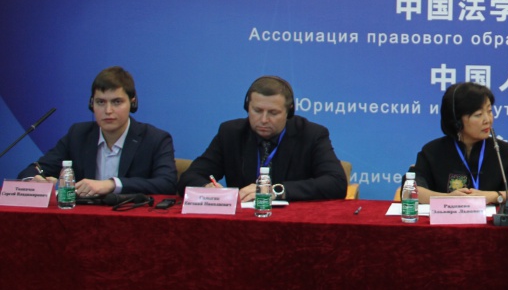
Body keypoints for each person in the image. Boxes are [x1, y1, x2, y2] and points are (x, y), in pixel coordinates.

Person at [178, 76, 347, 202]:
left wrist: (276, 191)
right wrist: (207, 188)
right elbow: (191, 176)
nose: (264, 119)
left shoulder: (311, 134)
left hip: (292, 222)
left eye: (273, 113)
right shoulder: (230, 133)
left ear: (289, 111)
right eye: (257, 111)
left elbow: (336, 183)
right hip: (242, 223)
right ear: (247, 107)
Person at [20, 66, 176, 197]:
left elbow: (167, 184)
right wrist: (33, 180)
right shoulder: (78, 135)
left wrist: (111, 184)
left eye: (117, 102)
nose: (108, 110)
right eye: (100, 102)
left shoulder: (155, 139)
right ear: (91, 104)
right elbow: (35, 169)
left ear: (132, 102)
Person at [412, 82, 508, 205]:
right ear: (457, 121)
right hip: (447, 217)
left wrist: (493, 196)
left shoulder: (503, 151)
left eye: (489, 111)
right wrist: (447, 199)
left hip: (491, 217)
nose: (488, 120)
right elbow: (410, 191)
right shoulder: (432, 152)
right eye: (478, 115)